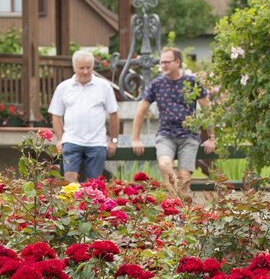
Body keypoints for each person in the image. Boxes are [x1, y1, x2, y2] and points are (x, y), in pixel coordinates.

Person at [130, 47, 213, 201]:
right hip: (166, 135)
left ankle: (181, 214)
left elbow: (207, 110)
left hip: (189, 136)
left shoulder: (192, 83)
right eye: (161, 62)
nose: (163, 65)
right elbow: (140, 111)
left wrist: (211, 137)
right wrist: (135, 139)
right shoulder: (157, 84)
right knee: (165, 165)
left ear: (177, 62)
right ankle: (177, 205)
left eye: (167, 62)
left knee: (184, 176)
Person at [48, 50, 120, 182]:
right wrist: (59, 139)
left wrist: (114, 140)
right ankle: (70, 204)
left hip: (97, 143)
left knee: (94, 185)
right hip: (71, 141)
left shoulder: (104, 86)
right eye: (82, 68)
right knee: (68, 183)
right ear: (74, 67)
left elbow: (114, 114)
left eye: (89, 67)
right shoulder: (63, 87)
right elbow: (56, 115)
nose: (86, 71)